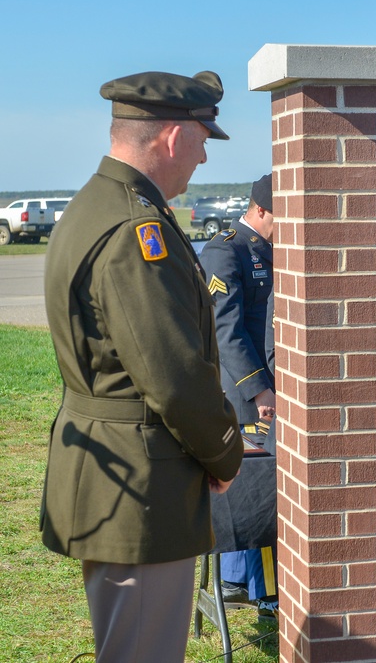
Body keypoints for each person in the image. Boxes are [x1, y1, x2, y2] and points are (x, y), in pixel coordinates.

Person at [41, 70, 244, 663]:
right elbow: (174, 375)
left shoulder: (100, 205)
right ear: (174, 139)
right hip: (143, 480)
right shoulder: (137, 228)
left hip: (118, 465)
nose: (203, 159)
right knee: (142, 651)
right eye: (205, 142)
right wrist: (225, 451)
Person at [198, 173, 278, 621]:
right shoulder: (225, 250)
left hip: (273, 388)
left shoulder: (273, 249)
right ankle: (259, 591)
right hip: (247, 393)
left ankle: (249, 582)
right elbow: (226, 330)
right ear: (261, 209)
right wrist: (259, 388)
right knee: (254, 494)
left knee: (265, 490)